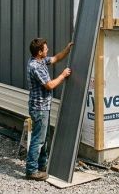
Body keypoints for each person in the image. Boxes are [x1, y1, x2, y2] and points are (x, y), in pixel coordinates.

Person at [25, 38, 73, 181]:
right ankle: (31, 170)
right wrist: (63, 75)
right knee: (38, 139)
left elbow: (56, 58)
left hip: (42, 107)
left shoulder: (39, 60)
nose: (48, 50)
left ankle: (42, 166)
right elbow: (50, 85)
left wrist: (67, 49)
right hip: (39, 108)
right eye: (45, 49)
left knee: (43, 138)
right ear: (40, 52)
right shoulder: (36, 66)